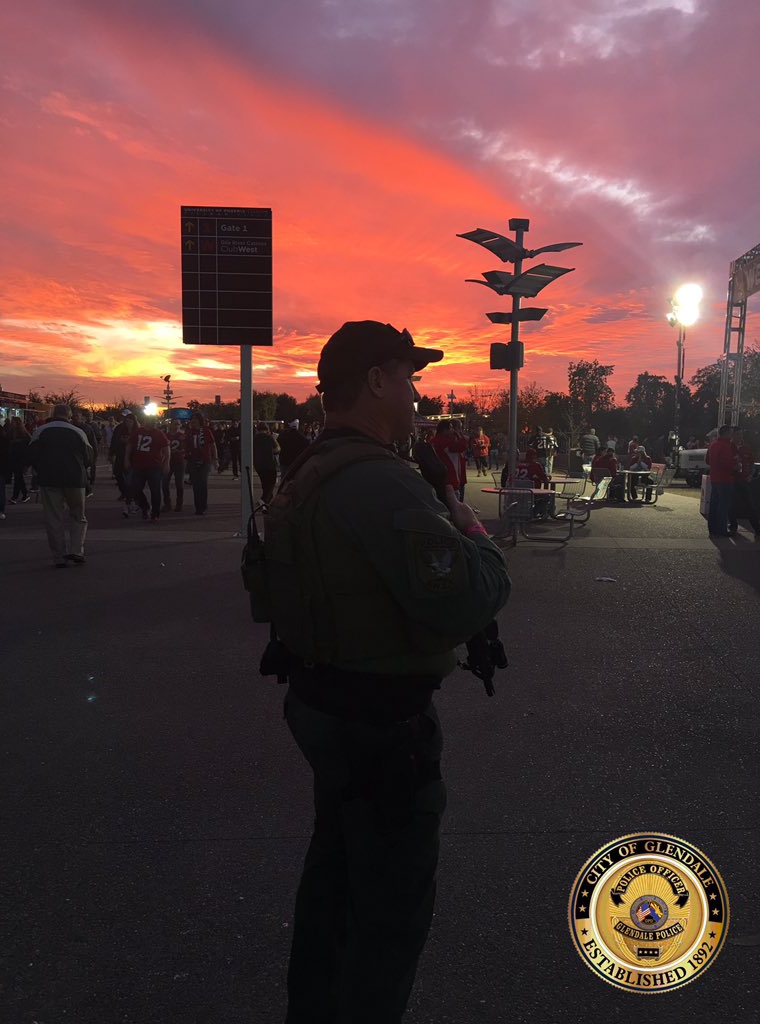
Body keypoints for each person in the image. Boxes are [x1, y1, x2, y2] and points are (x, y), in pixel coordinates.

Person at [261, 320, 511, 1024]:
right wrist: (472, 529)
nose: (415, 394)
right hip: (379, 727)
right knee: (389, 918)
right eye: (408, 378)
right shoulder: (381, 484)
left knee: (334, 887)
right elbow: (472, 593)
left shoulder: (308, 469)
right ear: (374, 380)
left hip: (323, 701)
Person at [27, 403, 93, 566]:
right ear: (69, 415)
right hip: (75, 479)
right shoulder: (79, 432)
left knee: (53, 518)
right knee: (78, 515)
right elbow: (89, 457)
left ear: (53, 414)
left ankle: (59, 555)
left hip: (49, 479)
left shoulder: (40, 431)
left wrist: (39, 469)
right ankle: (77, 550)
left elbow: (31, 455)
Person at [125, 416, 170, 522]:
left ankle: (155, 513)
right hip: (138, 466)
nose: (153, 423)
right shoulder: (138, 432)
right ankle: (145, 506)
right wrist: (126, 459)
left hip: (154, 466)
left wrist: (166, 463)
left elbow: (166, 449)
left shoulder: (159, 433)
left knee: (155, 491)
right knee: (135, 488)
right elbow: (130, 445)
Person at [706, 425, 737, 537]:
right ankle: (721, 529)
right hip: (725, 478)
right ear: (725, 433)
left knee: (714, 504)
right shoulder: (725, 446)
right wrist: (735, 465)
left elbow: (708, 460)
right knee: (723, 505)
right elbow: (726, 463)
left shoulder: (713, 445)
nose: (732, 435)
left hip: (715, 477)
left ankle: (712, 527)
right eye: (730, 433)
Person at [186, 411, 217, 515]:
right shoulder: (189, 432)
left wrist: (215, 459)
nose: (193, 422)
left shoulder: (206, 431)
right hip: (193, 460)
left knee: (202, 482)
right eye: (192, 420)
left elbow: (212, 445)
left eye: (195, 419)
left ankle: (203, 505)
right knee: (195, 484)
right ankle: (198, 506)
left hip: (205, 460)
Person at [729, 428, 759, 535]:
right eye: (737, 434)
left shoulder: (746, 448)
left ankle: (757, 528)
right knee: (731, 504)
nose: (739, 437)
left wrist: (750, 475)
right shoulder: (729, 447)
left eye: (741, 435)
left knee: (750, 505)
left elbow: (752, 464)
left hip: (744, 480)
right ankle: (733, 526)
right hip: (731, 480)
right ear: (732, 436)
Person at [430, 420, 467, 498]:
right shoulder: (446, 443)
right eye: (451, 428)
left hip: (437, 479)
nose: (452, 431)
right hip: (450, 481)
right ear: (445, 430)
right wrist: (459, 434)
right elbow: (463, 446)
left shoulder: (432, 441)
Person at [253, 422, 279, 504]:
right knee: (271, 482)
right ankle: (263, 500)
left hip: (258, 464)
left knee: (264, 483)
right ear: (267, 429)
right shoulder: (269, 437)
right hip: (269, 463)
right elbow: (277, 449)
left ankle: (267, 499)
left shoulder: (254, 438)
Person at [163, 420, 186, 512]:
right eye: (174, 424)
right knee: (164, 483)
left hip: (179, 461)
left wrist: (180, 452)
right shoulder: (166, 435)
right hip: (168, 461)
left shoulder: (183, 436)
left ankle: (179, 504)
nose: (176, 426)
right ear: (171, 425)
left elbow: (186, 448)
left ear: (180, 425)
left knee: (179, 483)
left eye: (178, 424)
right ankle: (167, 503)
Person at [8, 417, 32, 504]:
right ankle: (25, 494)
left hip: (21, 460)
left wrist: (27, 463)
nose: (12, 424)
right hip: (14, 459)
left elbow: (28, 450)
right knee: (19, 478)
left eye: (13, 422)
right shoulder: (11, 433)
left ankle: (15, 497)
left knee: (18, 477)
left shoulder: (24, 435)